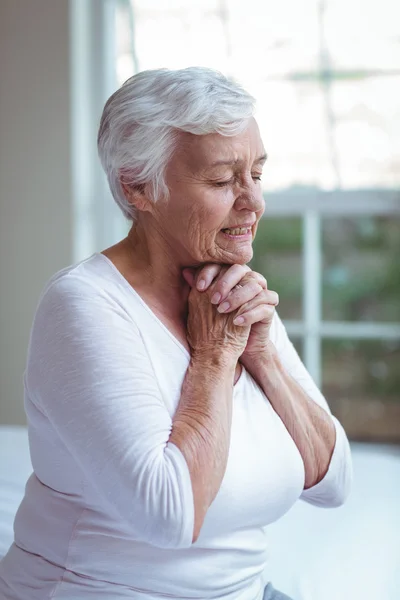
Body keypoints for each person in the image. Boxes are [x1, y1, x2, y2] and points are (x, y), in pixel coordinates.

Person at [0, 67, 352, 600]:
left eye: (257, 173)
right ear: (138, 186)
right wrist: (213, 356)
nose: (253, 202)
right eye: (221, 180)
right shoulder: (83, 305)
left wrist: (263, 357)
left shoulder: (233, 297)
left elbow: (333, 483)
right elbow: (168, 516)